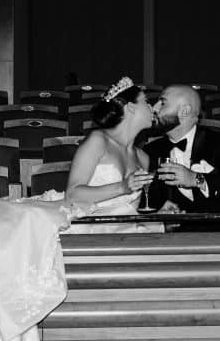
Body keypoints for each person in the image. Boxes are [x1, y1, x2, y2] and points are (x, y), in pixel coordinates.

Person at [63, 75, 157, 230]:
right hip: (84, 225)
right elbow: (72, 195)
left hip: (119, 232)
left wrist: (159, 216)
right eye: (146, 101)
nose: (152, 108)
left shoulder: (143, 158)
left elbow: (130, 213)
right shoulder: (98, 141)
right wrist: (122, 187)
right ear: (131, 107)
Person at [145, 84, 220, 213]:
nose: (154, 108)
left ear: (184, 111)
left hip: (219, 227)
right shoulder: (150, 150)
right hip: (176, 231)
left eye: (162, 103)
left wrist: (196, 179)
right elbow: (146, 199)